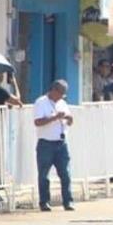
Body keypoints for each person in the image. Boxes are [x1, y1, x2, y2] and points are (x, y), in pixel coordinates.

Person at [33, 80, 75, 212]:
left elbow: (70, 121)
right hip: (46, 142)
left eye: (63, 94)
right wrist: (54, 117)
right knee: (44, 174)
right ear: (54, 90)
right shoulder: (41, 102)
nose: (62, 96)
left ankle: (68, 201)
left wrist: (69, 118)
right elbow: (38, 122)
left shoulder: (62, 103)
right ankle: (44, 202)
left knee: (65, 173)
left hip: (61, 142)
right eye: (60, 93)